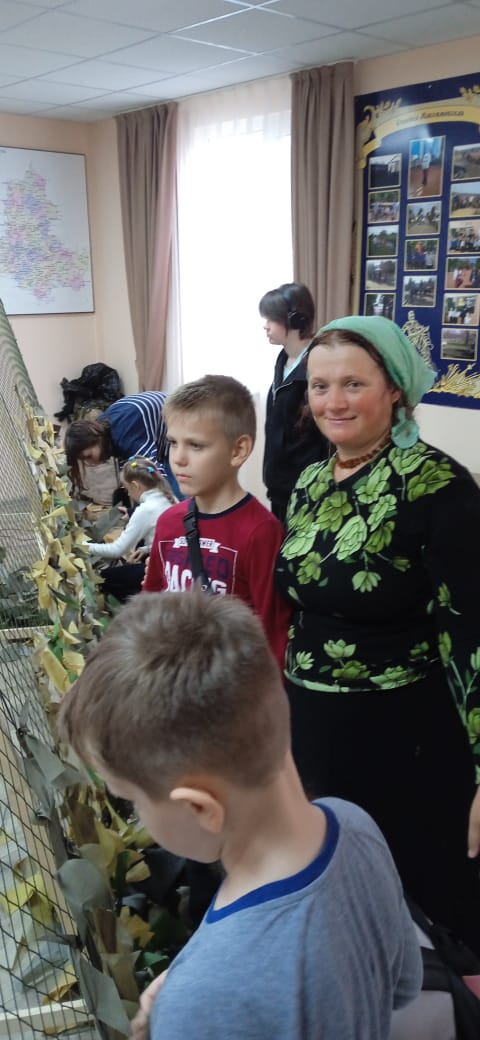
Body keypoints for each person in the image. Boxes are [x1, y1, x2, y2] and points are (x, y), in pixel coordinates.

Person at [57, 588, 422, 1040]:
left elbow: (238, 980)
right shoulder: (354, 824)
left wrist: (195, 997)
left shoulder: (203, 999)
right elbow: (404, 985)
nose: (137, 814)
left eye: (131, 798)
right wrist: (198, 979)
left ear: (199, 808)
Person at [275, 314, 480, 957]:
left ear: (394, 389)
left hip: (400, 735)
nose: (332, 402)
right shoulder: (310, 481)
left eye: (353, 384)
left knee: (407, 903)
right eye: (319, 386)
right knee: (329, 892)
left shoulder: (438, 487)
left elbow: (470, 634)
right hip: (311, 723)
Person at [143, 374, 290, 669]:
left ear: (238, 451)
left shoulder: (260, 531)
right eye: (173, 443)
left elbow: (273, 634)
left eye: (196, 445)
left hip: (231, 685)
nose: (178, 458)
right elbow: (150, 605)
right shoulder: (169, 522)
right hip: (172, 678)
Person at [259, 282, 328, 522]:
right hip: (279, 484)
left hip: (307, 488)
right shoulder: (283, 361)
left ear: (295, 320)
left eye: (271, 318)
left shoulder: (317, 366)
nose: (265, 325)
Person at [86, 456, 176, 601]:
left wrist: (83, 546)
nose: (128, 493)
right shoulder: (169, 497)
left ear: (135, 485)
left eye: (127, 489)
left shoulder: (146, 509)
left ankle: (141, 604)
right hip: (173, 563)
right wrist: (146, 549)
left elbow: (117, 550)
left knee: (104, 578)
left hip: (163, 570)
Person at [64, 390, 180, 499]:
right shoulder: (103, 427)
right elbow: (130, 466)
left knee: (174, 492)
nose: (91, 463)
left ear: (95, 439)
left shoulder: (124, 437)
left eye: (89, 456)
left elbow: (153, 472)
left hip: (176, 417)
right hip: (164, 412)